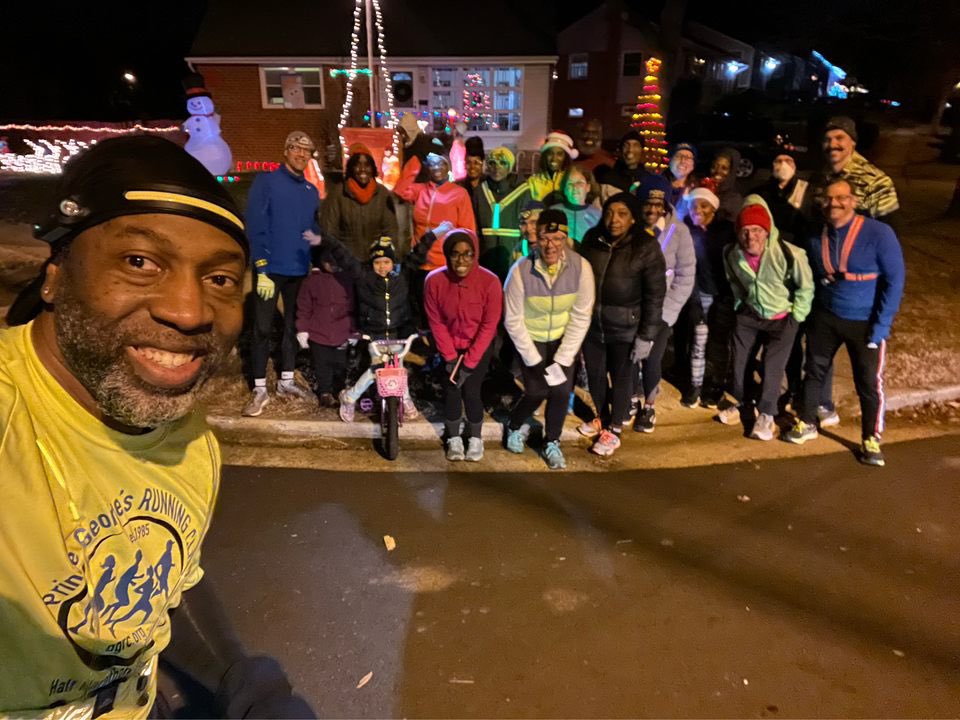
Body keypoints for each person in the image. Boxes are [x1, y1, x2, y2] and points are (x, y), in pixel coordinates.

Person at [0, 136, 310, 717]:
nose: (189, 311)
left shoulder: (192, 443)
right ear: (54, 277)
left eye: (220, 279)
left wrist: (245, 684)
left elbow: (168, 579)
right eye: (141, 262)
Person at [785, 179, 906, 466]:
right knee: (814, 371)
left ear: (853, 200)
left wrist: (881, 326)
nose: (833, 204)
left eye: (841, 198)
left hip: (865, 321)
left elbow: (895, 280)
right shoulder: (816, 234)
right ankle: (807, 422)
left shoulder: (879, 233)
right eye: (827, 199)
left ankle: (871, 438)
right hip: (826, 317)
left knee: (868, 382)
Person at [306, 232, 439, 422]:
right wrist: (324, 240)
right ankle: (350, 397)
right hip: (375, 336)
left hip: (397, 334)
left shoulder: (401, 277)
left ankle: (405, 398)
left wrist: (433, 235)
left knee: (398, 369)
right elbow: (344, 255)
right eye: (377, 262)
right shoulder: (364, 277)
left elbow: (417, 255)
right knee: (378, 369)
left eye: (386, 262)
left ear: (393, 263)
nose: (382, 266)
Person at [503, 209, 595, 469]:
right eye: (544, 237)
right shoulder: (520, 270)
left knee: (561, 391)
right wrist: (533, 359)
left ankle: (551, 440)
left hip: (561, 338)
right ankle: (515, 424)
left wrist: (564, 357)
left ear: (565, 238)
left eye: (557, 238)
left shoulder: (581, 268)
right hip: (531, 338)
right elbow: (513, 319)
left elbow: (581, 316)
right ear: (537, 237)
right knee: (536, 390)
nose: (550, 245)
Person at [718, 197, 814, 440]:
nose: (751, 237)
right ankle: (743, 402)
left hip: (782, 317)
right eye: (745, 231)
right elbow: (734, 280)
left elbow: (805, 287)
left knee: (773, 367)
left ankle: (767, 415)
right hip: (750, 314)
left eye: (758, 230)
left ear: (767, 231)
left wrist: (796, 317)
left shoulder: (789, 253)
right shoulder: (730, 252)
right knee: (739, 362)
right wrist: (741, 303)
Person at [577, 193, 666, 456]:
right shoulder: (593, 239)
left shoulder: (645, 247)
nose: (614, 220)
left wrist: (646, 335)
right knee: (595, 377)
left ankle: (614, 428)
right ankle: (602, 418)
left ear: (633, 218)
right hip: (593, 325)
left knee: (622, 378)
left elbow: (655, 294)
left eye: (622, 213)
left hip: (627, 327)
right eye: (609, 213)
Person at [243, 130, 321, 417]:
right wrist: (260, 266)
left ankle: (286, 380)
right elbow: (255, 223)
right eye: (296, 149)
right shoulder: (267, 182)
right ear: (286, 151)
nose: (302, 155)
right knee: (262, 328)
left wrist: (316, 246)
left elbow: (314, 227)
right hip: (270, 269)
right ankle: (260, 387)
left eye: (307, 151)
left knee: (292, 326)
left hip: (299, 270)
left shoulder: (310, 191)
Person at [424, 229, 502, 462]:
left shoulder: (490, 282)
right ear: (447, 256)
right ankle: (453, 437)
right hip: (449, 345)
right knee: (452, 390)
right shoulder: (435, 281)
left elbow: (489, 324)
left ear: (475, 254)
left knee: (471, 389)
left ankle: (476, 437)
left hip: (477, 346)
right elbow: (435, 321)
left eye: (468, 254)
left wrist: (468, 362)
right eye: (455, 254)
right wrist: (449, 357)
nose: (462, 260)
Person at [630, 176, 696, 434]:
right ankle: (633, 397)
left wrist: (669, 313)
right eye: (648, 203)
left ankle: (649, 404)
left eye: (659, 204)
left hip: (662, 309)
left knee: (653, 358)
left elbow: (686, 273)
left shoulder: (678, 232)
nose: (653, 209)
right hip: (634, 307)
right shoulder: (632, 229)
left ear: (666, 205)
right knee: (632, 354)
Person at [674, 187, 737, 408]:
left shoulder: (727, 231)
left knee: (718, 344)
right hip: (699, 294)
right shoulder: (686, 232)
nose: (697, 210)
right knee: (699, 342)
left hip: (723, 295)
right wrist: (694, 300)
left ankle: (715, 385)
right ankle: (695, 385)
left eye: (703, 205)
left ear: (714, 208)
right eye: (693, 206)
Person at [393, 139, 476, 272]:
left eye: (441, 163)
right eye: (432, 164)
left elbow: (468, 231)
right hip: (419, 261)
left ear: (448, 166)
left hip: (445, 264)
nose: (437, 168)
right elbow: (400, 190)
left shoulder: (459, 193)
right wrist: (417, 158)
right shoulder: (420, 190)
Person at [295, 249, 357, 408]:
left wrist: (354, 329)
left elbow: (353, 306)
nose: (333, 266)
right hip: (318, 332)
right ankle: (325, 393)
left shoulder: (347, 280)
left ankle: (340, 391)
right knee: (323, 364)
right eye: (329, 263)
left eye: (336, 263)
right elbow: (304, 307)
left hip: (341, 331)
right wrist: (302, 329)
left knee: (340, 364)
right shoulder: (312, 282)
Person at [810, 116, 899, 225]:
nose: (832, 145)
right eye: (827, 140)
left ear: (853, 142)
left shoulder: (876, 181)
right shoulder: (819, 177)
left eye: (839, 138)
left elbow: (887, 232)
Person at [320, 142, 399, 260]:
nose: (362, 169)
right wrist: (331, 257)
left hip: (376, 263)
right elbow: (329, 230)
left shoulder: (382, 194)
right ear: (351, 167)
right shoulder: (338, 193)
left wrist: (387, 257)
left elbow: (390, 230)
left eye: (367, 165)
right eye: (357, 165)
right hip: (347, 263)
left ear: (372, 168)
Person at [472, 146, 532, 281]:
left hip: (511, 253)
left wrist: (524, 254)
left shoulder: (523, 191)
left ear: (510, 166)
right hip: (485, 255)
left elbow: (527, 226)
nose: (497, 168)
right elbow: (474, 226)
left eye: (503, 163)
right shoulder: (480, 191)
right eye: (492, 163)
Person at [751, 149, 812, 243]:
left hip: (796, 244)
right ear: (772, 166)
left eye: (788, 161)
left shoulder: (806, 189)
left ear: (794, 166)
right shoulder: (760, 191)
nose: (784, 165)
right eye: (779, 161)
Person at [550, 164, 602, 246]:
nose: (575, 187)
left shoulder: (597, 215)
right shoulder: (552, 212)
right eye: (570, 184)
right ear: (564, 188)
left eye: (579, 183)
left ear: (588, 187)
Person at [595, 130, 649, 201]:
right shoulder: (609, 178)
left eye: (635, 145)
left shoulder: (647, 179)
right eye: (626, 145)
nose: (630, 150)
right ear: (621, 150)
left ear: (642, 150)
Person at [528, 131, 577, 204]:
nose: (554, 159)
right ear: (545, 156)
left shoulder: (572, 180)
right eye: (550, 153)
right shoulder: (533, 181)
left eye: (559, 154)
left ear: (566, 157)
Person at [662, 142, 698, 219]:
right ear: (670, 161)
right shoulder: (657, 184)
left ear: (693, 165)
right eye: (678, 156)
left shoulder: (696, 191)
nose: (683, 161)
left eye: (688, 158)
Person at [707, 147, 743, 221]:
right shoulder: (703, 190)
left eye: (724, 168)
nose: (718, 171)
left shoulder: (735, 199)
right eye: (714, 166)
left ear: (731, 171)